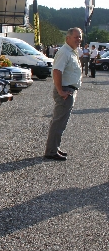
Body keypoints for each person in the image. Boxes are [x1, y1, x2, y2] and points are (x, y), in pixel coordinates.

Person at [44, 28, 82, 161]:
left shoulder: (72, 52)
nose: (79, 40)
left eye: (80, 37)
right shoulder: (64, 52)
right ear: (68, 38)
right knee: (59, 121)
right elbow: (56, 71)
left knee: (61, 122)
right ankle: (51, 151)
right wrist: (60, 91)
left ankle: (54, 147)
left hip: (69, 90)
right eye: (76, 37)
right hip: (65, 91)